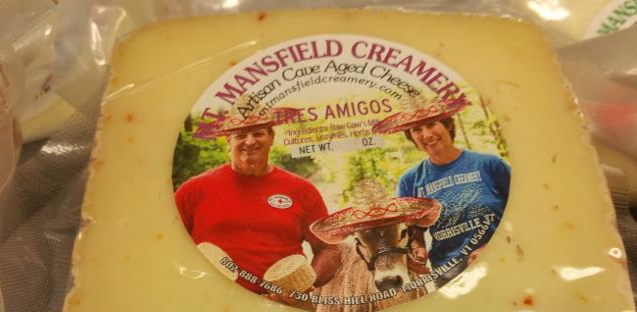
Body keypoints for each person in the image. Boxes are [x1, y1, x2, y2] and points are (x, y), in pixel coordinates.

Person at [175, 108, 340, 295]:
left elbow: (329, 250)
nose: (250, 141)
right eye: (240, 135)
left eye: (258, 133)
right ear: (228, 141)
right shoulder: (193, 190)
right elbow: (166, 245)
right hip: (211, 303)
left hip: (281, 307)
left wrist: (305, 285)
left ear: (271, 137)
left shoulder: (302, 190)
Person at [373, 96, 511, 286]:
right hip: (450, 279)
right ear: (412, 137)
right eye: (416, 130)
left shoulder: (489, 164)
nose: (426, 134)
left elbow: (523, 210)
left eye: (431, 124)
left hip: (503, 265)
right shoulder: (410, 180)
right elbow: (412, 230)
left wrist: (491, 248)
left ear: (448, 125)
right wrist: (417, 249)